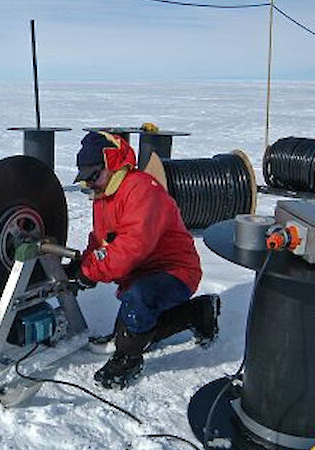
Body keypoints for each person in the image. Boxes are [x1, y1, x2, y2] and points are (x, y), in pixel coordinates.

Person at [68, 131, 219, 389]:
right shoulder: (105, 195)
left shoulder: (141, 190)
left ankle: (128, 360)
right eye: (86, 180)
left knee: (136, 312)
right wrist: (84, 264)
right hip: (141, 272)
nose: (90, 184)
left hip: (175, 271)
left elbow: (131, 247)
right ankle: (199, 312)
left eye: (93, 176)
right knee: (131, 328)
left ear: (111, 163)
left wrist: (92, 272)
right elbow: (102, 240)